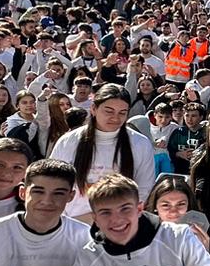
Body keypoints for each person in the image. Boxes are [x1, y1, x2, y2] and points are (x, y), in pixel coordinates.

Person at [66, 173, 210, 266]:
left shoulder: (178, 237)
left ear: (139, 209)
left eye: (125, 209)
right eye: (106, 212)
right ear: (95, 218)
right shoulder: (89, 256)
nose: (117, 219)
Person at [48, 83, 156, 219]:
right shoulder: (69, 141)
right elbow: (53, 181)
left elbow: (144, 187)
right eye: (109, 111)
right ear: (93, 108)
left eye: (122, 113)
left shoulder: (140, 143)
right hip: (74, 221)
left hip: (119, 223)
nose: (116, 118)